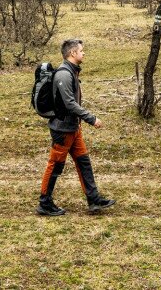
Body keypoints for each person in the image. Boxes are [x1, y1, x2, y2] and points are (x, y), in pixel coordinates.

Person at [37, 38, 116, 216]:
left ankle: (94, 200)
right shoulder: (64, 75)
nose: (84, 53)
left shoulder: (72, 72)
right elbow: (70, 104)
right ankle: (44, 203)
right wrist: (91, 118)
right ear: (73, 53)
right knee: (55, 166)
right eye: (81, 50)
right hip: (62, 130)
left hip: (73, 129)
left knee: (84, 163)